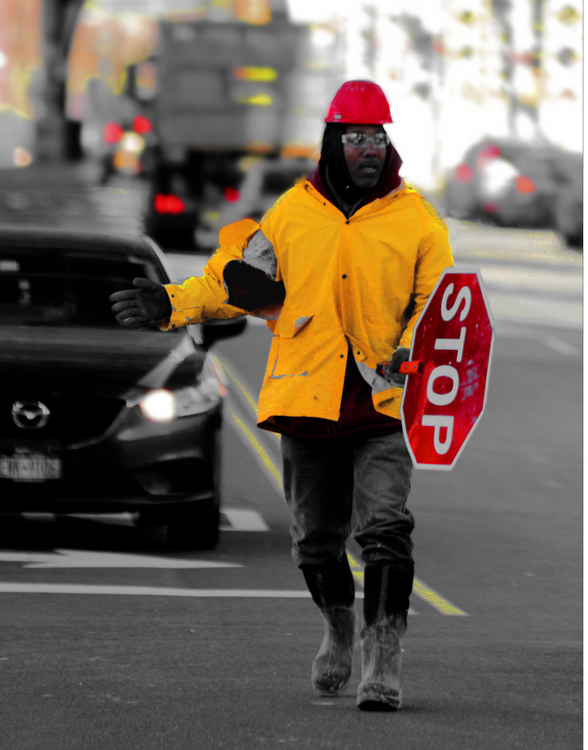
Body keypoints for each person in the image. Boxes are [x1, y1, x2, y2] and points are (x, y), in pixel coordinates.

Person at [109, 78, 454, 711]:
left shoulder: (417, 220)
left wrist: (414, 345)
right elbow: (236, 282)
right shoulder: (291, 214)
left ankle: (384, 654)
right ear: (332, 141)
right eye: (355, 137)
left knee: (386, 528)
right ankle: (337, 627)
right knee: (316, 541)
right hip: (306, 400)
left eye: (377, 135)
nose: (368, 148)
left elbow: (435, 301)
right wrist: (171, 305)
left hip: (383, 402)